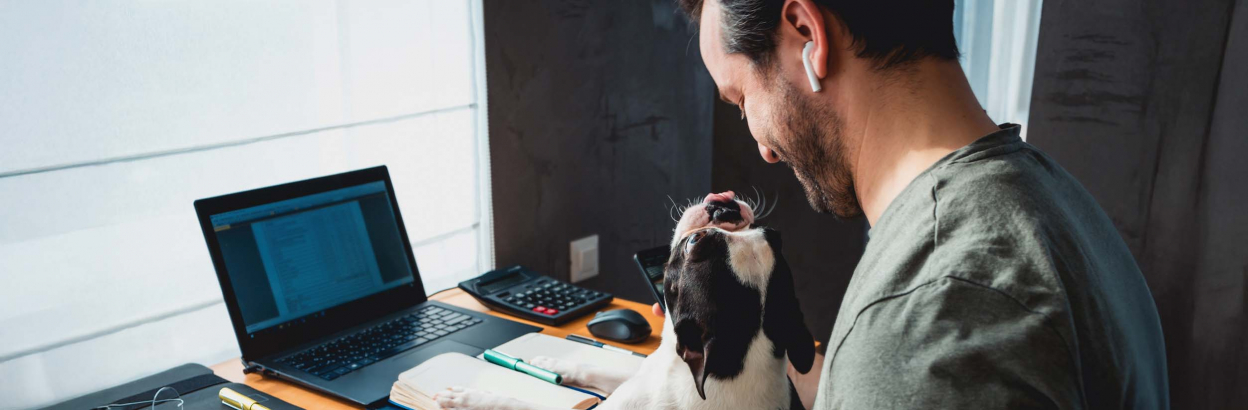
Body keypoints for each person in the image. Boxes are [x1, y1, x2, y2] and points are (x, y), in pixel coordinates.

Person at [662, 0, 1171, 408]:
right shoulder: (1051, 199)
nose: (764, 149)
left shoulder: (927, 314)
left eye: (743, 99)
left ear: (808, 36)